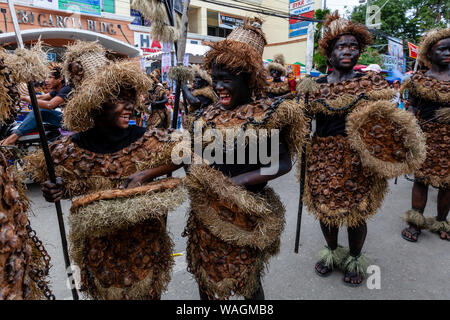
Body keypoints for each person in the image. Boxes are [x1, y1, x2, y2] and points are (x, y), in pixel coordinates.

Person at [26, 60, 186, 300]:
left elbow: (185, 153)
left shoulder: (145, 137)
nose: (130, 107)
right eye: (120, 100)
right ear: (97, 105)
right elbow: (68, 186)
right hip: (99, 250)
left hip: (143, 243)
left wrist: (146, 174)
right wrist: (56, 190)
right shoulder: (73, 148)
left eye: (131, 100)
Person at [297, 12, 425, 287]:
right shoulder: (315, 86)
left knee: (355, 213)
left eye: (353, 46)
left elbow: (385, 123)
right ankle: (331, 252)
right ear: (329, 53)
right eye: (342, 46)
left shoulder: (371, 84)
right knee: (326, 211)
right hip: (322, 158)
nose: (348, 51)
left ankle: (355, 258)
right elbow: (303, 120)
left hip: (359, 160)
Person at [182, 17, 307, 300]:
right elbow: (194, 154)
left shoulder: (267, 115)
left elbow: (283, 163)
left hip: (247, 215)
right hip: (207, 212)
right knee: (207, 277)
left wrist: (239, 181)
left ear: (248, 78)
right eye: (217, 79)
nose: (220, 87)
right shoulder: (206, 114)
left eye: (228, 79)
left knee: (247, 280)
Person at [0, 45, 51, 300]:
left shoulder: (63, 92)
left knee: (38, 110)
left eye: (53, 77)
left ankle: (14, 136)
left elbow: (49, 104)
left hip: (57, 118)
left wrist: (28, 98)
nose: (50, 79)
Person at [401, 28, 450, 242]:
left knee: (448, 184)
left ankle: (441, 220)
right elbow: (411, 106)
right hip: (424, 138)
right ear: (429, 53)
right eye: (442, 49)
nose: (448, 52)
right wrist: (410, 124)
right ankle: (416, 221)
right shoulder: (418, 80)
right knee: (421, 180)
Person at [0, 65, 71, 146]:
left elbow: (50, 105)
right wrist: (19, 97)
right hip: (63, 119)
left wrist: (25, 99)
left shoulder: (66, 89)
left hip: (70, 123)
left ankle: (12, 139)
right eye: (46, 78)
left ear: (60, 78)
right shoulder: (57, 90)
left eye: (50, 77)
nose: (46, 80)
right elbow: (41, 97)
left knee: (41, 111)